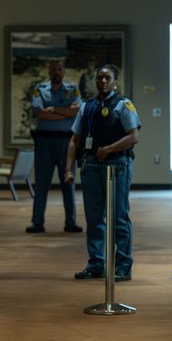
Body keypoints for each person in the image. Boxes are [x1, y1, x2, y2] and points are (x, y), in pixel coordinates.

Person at [64, 65, 141, 281]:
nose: (103, 81)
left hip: (117, 166)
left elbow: (134, 136)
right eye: (100, 78)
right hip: (91, 167)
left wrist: (109, 149)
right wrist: (68, 169)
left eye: (108, 77)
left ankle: (123, 265)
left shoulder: (123, 105)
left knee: (119, 217)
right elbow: (74, 140)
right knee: (94, 218)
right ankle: (96, 264)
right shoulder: (87, 106)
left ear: (115, 81)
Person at [28, 60, 82, 233]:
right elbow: (38, 113)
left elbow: (75, 112)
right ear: (49, 71)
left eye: (60, 69)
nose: (56, 72)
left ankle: (71, 223)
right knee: (42, 183)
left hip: (67, 142)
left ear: (64, 71)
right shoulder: (39, 89)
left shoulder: (73, 89)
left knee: (68, 182)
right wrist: (64, 112)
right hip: (44, 142)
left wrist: (52, 110)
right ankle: (37, 223)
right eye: (53, 69)